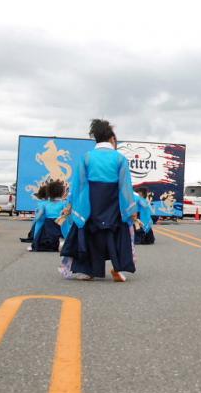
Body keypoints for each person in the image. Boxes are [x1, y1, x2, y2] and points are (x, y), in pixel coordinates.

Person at [61, 119, 138, 282]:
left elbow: (78, 185)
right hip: (113, 204)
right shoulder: (120, 158)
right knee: (115, 234)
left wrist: (70, 204)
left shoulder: (86, 157)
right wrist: (131, 209)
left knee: (89, 234)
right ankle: (117, 268)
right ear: (112, 138)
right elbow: (125, 187)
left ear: (95, 138)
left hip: (90, 203)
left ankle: (87, 271)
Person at [31, 180, 71, 251]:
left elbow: (39, 215)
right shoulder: (63, 203)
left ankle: (52, 243)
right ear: (62, 192)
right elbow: (66, 213)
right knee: (65, 227)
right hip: (59, 223)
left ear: (48, 193)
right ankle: (64, 242)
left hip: (48, 225)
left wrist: (34, 222)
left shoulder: (45, 204)